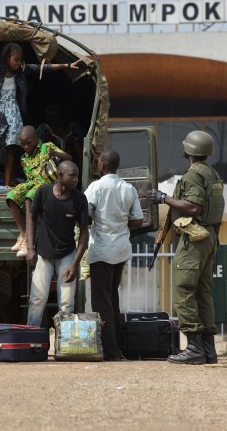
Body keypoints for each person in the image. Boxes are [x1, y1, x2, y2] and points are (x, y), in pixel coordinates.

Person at [149, 130, 225, 365]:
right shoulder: (212, 174)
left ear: (189, 151)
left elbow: (193, 207)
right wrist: (213, 239)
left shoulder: (193, 176)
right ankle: (208, 350)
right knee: (203, 293)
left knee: (183, 291)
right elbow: (217, 210)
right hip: (209, 235)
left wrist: (164, 198)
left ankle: (193, 348)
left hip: (195, 238)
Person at [0, 43, 81, 187]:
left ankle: (6, 185)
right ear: (7, 57)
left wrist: (66, 66)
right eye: (16, 59)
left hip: (12, 111)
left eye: (20, 60)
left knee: (10, 148)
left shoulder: (21, 70)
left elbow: (42, 68)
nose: (19, 63)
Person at [84, 151, 143, 361]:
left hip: (101, 250)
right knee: (112, 298)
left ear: (101, 165)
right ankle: (116, 347)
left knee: (101, 303)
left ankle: (111, 352)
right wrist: (120, 223)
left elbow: (86, 214)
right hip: (121, 249)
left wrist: (100, 221)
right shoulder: (129, 188)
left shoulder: (95, 187)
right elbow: (138, 220)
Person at [26, 161, 89, 328]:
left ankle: (65, 344)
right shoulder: (43, 192)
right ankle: (32, 340)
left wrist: (75, 264)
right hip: (43, 254)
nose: (76, 179)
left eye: (76, 175)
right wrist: (30, 248)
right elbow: (31, 218)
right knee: (37, 299)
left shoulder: (80, 199)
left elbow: (84, 233)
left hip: (67, 255)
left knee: (67, 303)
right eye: (72, 175)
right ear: (60, 176)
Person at [6, 126, 72, 258]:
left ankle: (28, 242)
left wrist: (56, 154)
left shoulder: (47, 147)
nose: (25, 146)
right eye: (22, 144)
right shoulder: (24, 158)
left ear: (36, 139)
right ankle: (23, 234)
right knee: (11, 195)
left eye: (28, 143)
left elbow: (69, 158)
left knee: (30, 196)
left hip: (48, 184)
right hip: (33, 183)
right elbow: (29, 179)